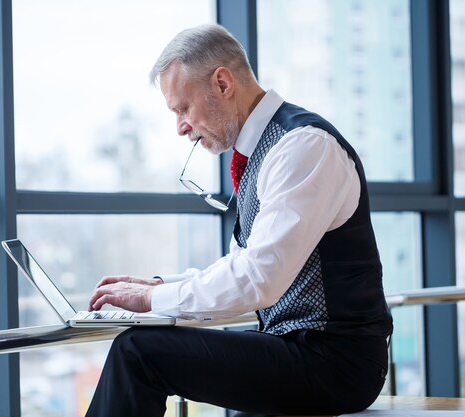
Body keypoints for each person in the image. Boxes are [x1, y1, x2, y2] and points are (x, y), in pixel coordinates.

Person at [85, 24, 393, 417]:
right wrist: (160, 286)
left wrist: (150, 300)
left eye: (183, 108)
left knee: (138, 351)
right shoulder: (264, 152)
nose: (180, 127)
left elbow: (257, 278)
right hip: (299, 347)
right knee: (154, 348)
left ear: (222, 83)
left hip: (337, 363)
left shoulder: (303, 146)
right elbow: (240, 269)